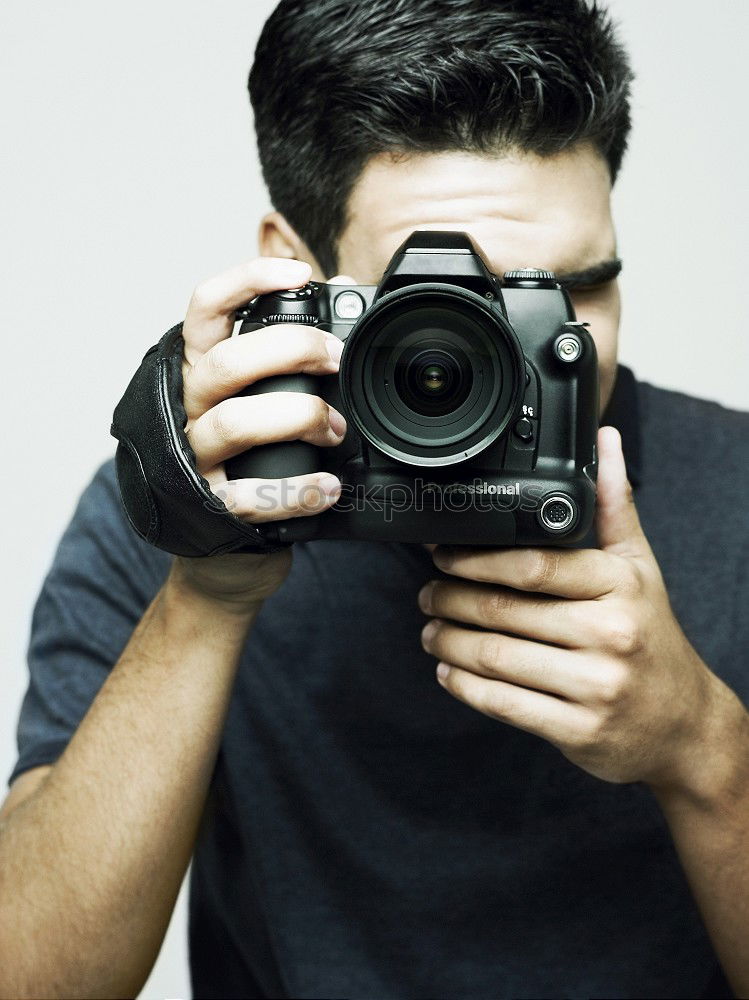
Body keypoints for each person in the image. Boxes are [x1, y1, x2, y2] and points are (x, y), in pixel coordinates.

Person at [1, 1, 747, 996]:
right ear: (295, 273)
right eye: (447, 306)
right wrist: (207, 593)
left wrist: (703, 748)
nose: (526, 356)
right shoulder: (188, 514)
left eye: (571, 288)